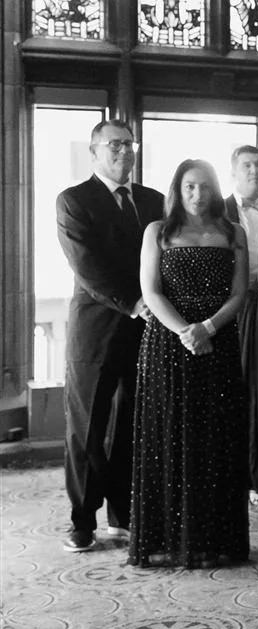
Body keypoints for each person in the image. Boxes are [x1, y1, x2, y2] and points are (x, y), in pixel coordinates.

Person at [128, 160, 249, 568]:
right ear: (177, 191)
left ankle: (217, 537)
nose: (198, 195)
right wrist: (186, 331)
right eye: (189, 187)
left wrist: (208, 328)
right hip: (168, 342)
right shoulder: (157, 232)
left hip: (218, 343)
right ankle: (166, 537)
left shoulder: (234, 233)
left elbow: (240, 294)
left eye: (205, 187)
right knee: (169, 437)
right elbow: (151, 291)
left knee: (216, 438)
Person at [55, 121, 164, 552]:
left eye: (129, 143)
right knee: (87, 427)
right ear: (94, 151)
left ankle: (123, 514)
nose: (124, 151)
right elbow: (87, 266)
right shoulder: (74, 200)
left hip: (145, 332)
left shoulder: (154, 200)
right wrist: (136, 303)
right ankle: (82, 520)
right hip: (96, 331)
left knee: (131, 427)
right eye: (114, 145)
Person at [224, 143, 258, 502]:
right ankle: (238, 474)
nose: (254, 172)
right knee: (237, 388)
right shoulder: (220, 212)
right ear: (233, 172)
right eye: (246, 166)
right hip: (233, 305)